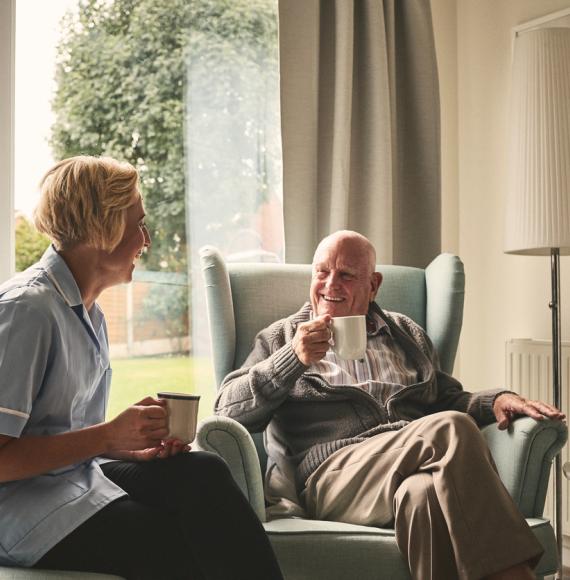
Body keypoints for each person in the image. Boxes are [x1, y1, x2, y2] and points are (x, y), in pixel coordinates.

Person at [215, 229, 566, 580]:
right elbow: (227, 411)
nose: (330, 285)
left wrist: (497, 400)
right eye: (322, 272)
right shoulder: (283, 338)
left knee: (423, 495)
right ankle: (515, 574)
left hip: (410, 467)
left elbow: (447, 397)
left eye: (347, 275)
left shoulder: (406, 334)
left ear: (374, 285)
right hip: (334, 478)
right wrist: (294, 358)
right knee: (451, 427)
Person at [0, 156, 283, 580]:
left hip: (72, 481)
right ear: (103, 227)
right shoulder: (28, 310)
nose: (146, 239)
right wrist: (108, 434)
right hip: (22, 510)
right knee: (167, 539)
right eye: (139, 223)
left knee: (203, 471)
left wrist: (125, 446)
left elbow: (58, 433)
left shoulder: (87, 312)